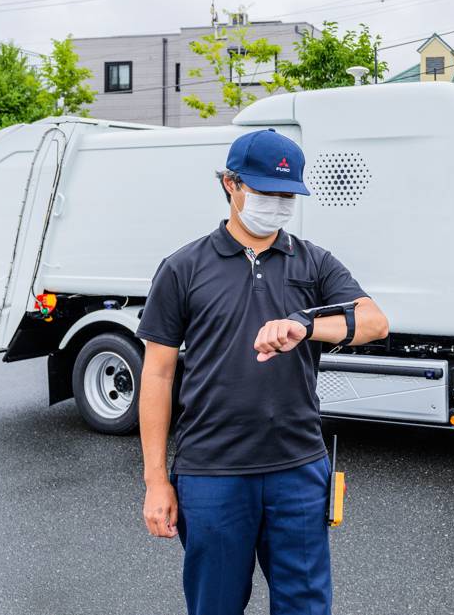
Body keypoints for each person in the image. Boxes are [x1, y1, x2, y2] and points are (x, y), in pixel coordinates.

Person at [136, 128, 389, 615]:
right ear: (231, 184)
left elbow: (375, 322)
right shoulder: (183, 268)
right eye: (265, 192)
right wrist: (155, 482)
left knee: (306, 604)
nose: (277, 203)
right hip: (212, 471)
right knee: (216, 605)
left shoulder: (313, 263)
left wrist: (305, 325)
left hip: (297, 467)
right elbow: (158, 376)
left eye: (287, 194)